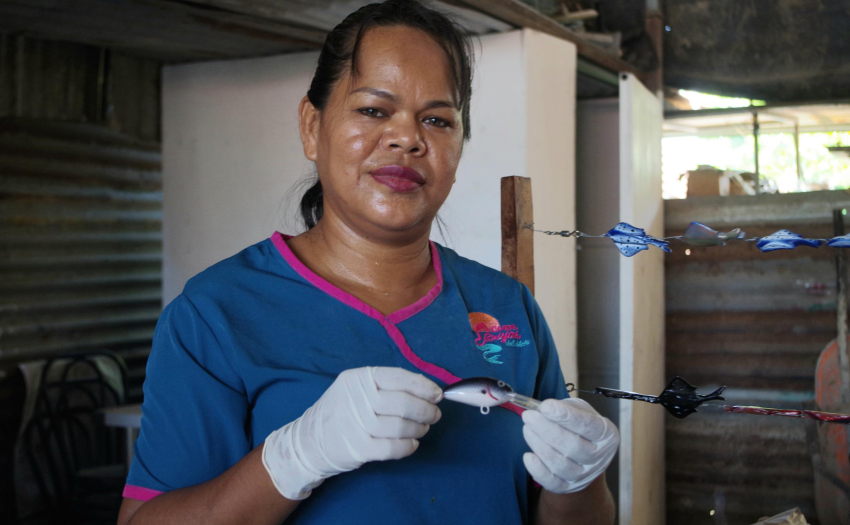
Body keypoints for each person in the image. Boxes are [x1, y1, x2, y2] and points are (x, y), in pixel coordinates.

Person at [116, 0, 619, 523]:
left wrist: (581, 482)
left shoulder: (506, 307)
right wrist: (293, 458)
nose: (407, 137)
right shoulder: (217, 314)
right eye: (374, 110)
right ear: (313, 127)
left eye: (437, 119)